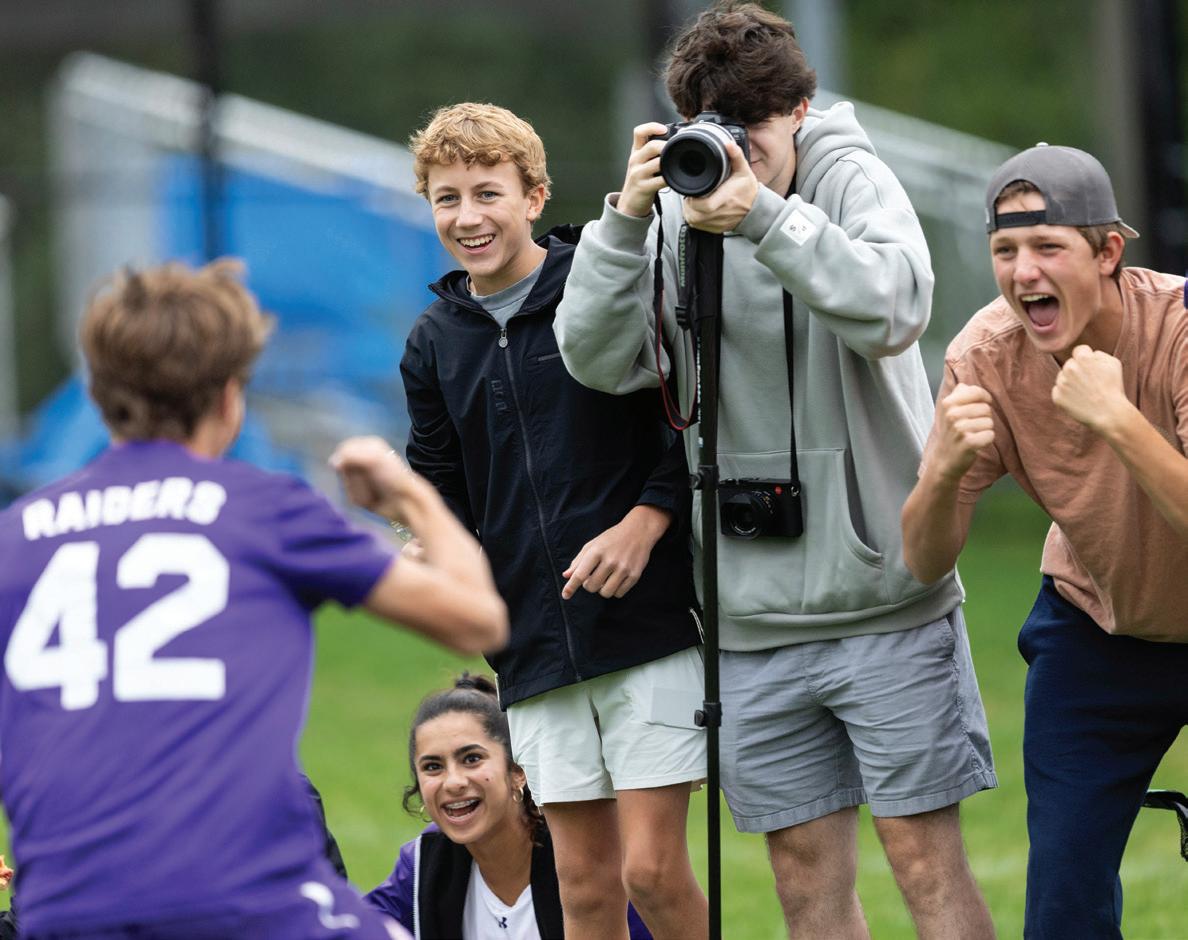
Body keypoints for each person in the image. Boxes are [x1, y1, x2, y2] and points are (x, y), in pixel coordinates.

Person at [554, 4, 997, 938]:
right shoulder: (674, 205)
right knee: (801, 877)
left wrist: (763, 217)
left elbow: (896, 306)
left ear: (800, 108)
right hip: (751, 616)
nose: (736, 150)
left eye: (754, 125)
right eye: (712, 126)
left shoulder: (850, 176)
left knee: (923, 860)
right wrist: (625, 219)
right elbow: (595, 359)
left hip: (885, 598)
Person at [0, 260, 507, 940]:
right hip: (240, 901)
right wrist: (409, 496)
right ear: (229, 398)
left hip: (62, 912)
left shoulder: (16, 536)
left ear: (97, 393)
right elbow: (479, 616)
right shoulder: (263, 510)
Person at [400, 102, 707, 940]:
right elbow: (439, 485)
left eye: (487, 193)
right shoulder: (432, 341)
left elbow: (689, 422)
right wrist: (434, 550)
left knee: (652, 872)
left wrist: (646, 520)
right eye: (447, 198)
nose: (467, 217)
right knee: (583, 886)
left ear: (534, 197)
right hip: (531, 647)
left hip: (644, 626)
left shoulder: (600, 282)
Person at [901, 142, 1188, 938]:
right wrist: (942, 474)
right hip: (1096, 631)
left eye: (1047, 246)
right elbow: (923, 560)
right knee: (1063, 904)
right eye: (1005, 250)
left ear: (1108, 252)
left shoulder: (1178, 330)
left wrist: (1117, 417)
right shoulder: (985, 356)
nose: (1023, 271)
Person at [365, 674, 651, 939]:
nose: (453, 782)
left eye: (472, 759)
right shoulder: (423, 865)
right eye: (432, 766)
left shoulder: (584, 852)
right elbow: (355, 926)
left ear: (517, 771)